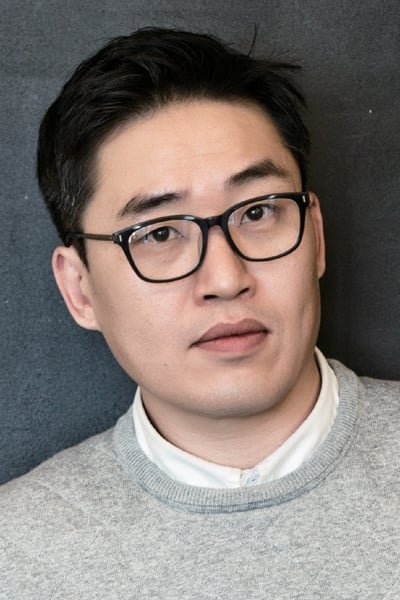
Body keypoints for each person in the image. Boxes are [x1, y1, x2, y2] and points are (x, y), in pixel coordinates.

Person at [1, 27, 399, 599]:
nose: (226, 279)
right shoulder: (16, 556)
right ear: (80, 289)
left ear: (315, 235)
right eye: (159, 232)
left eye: (257, 212)